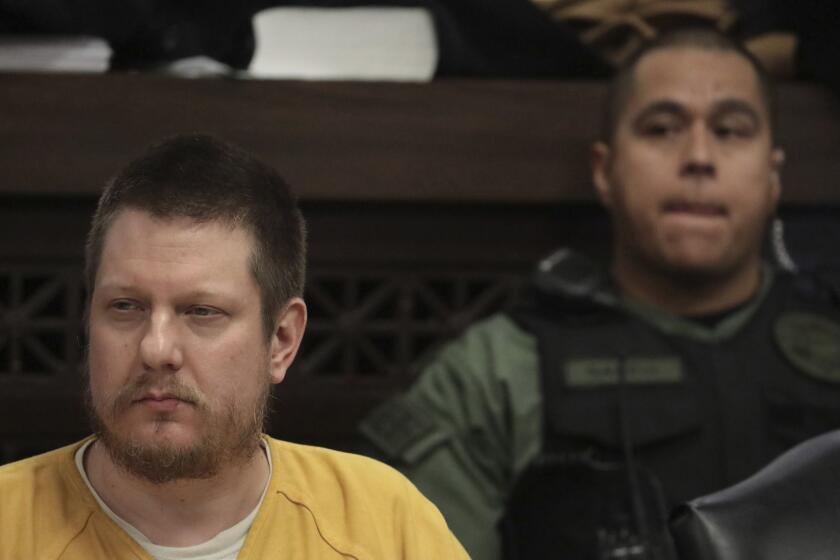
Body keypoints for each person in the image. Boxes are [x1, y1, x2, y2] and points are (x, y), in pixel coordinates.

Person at [360, 27, 840, 560]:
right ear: (604, 171)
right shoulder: (497, 374)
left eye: (730, 130)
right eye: (662, 129)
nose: (699, 156)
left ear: (773, 177)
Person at [0, 134, 468, 560]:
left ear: (282, 341)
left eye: (201, 311)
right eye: (125, 306)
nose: (156, 348)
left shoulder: (382, 523)